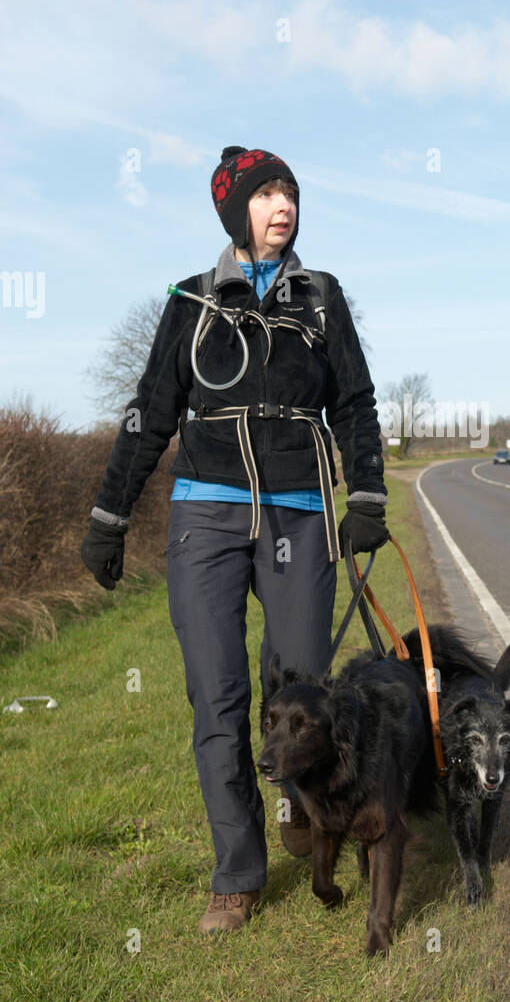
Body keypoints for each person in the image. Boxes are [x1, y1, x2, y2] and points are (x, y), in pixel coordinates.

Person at [80, 145, 390, 933]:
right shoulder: (191, 301)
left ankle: (299, 800)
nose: (282, 207)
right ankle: (237, 873)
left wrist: (366, 495)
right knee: (216, 697)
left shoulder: (321, 299)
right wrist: (109, 517)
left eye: (290, 194)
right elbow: (150, 410)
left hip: (297, 512)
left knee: (305, 681)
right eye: (266, 195)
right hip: (206, 514)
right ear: (235, 210)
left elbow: (354, 399)